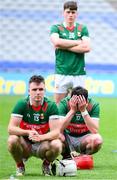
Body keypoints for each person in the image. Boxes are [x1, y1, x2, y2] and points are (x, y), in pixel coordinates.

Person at [7, 75, 62, 176]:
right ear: (29, 91)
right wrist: (27, 132)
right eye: (34, 89)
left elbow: (56, 132)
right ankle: (20, 165)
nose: (38, 92)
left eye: (41, 89)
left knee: (57, 144)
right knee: (12, 140)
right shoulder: (21, 104)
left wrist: (40, 137)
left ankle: (46, 165)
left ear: (44, 90)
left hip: (42, 144)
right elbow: (10, 128)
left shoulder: (51, 106)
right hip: (25, 145)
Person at [50, 1, 91, 105]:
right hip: (61, 72)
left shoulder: (82, 28)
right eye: (68, 12)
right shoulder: (56, 28)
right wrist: (77, 42)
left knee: (79, 106)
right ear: (63, 13)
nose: (70, 15)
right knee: (58, 106)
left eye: (73, 12)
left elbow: (87, 47)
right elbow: (56, 42)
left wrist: (63, 46)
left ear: (77, 14)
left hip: (79, 73)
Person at [58, 86, 103, 158]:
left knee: (98, 140)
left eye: (81, 103)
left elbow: (95, 130)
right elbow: (59, 129)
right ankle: (67, 156)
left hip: (84, 138)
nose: (79, 106)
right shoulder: (64, 103)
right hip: (67, 137)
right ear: (71, 100)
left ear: (87, 101)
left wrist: (84, 111)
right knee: (56, 136)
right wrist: (72, 110)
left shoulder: (93, 105)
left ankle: (83, 157)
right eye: (76, 103)